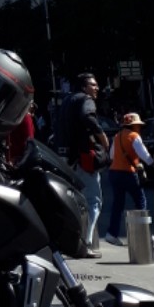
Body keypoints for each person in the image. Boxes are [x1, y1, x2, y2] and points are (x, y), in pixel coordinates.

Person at [61, 72, 110, 255]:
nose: (97, 88)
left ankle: (74, 240)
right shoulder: (86, 100)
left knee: (76, 201)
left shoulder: (66, 101)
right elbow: (88, 117)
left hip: (67, 159)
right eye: (93, 85)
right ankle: (85, 243)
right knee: (93, 201)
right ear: (84, 87)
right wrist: (102, 136)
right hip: (84, 159)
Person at [102, 113, 152, 247]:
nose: (140, 128)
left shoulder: (117, 137)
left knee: (118, 204)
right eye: (138, 126)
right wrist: (152, 163)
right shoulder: (134, 137)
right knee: (140, 201)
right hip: (128, 173)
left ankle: (111, 234)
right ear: (134, 125)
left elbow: (112, 155)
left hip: (114, 173)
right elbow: (145, 156)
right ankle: (144, 234)